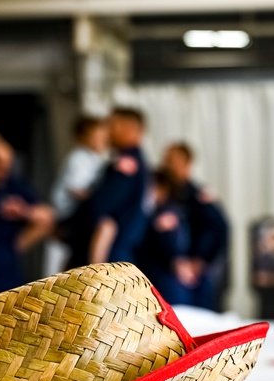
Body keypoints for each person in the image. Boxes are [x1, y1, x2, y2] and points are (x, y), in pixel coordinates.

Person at [67, 107, 149, 267]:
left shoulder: (126, 164)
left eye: (112, 125)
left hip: (109, 257)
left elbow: (101, 205)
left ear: (129, 127)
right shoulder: (134, 162)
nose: (107, 131)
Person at [0, 130, 55, 296]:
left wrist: (24, 212)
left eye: (7, 165)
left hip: (5, 277)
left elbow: (47, 217)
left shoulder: (11, 185)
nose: (3, 170)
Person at [162, 142, 229, 310]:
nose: (168, 165)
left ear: (187, 163)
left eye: (173, 160)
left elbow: (219, 229)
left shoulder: (199, 197)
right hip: (169, 269)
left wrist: (199, 261)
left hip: (198, 270)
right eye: (167, 160)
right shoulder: (161, 195)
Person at [135, 168, 191, 304]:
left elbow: (171, 245)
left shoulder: (166, 214)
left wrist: (177, 262)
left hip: (164, 274)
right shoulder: (163, 212)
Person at [50, 115, 108, 224]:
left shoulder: (94, 158)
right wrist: (99, 200)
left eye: (105, 136)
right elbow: (74, 188)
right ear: (82, 138)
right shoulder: (79, 158)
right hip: (67, 211)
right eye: (98, 136)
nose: (103, 140)